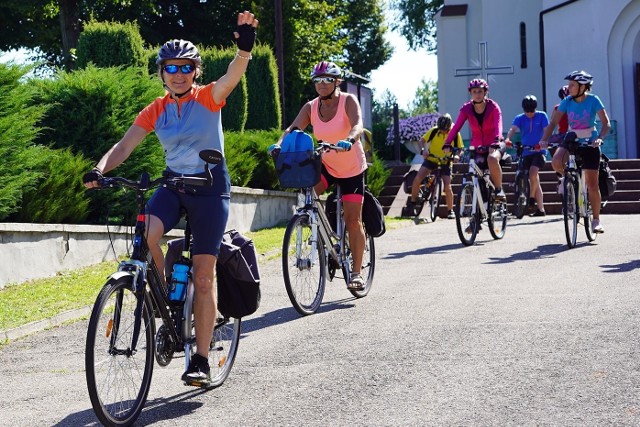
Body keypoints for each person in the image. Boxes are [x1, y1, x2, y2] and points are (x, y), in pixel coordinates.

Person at [82, 11, 259, 386]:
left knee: (205, 274)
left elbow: (232, 77)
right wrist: (101, 170)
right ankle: (166, 294)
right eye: (170, 68)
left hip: (210, 189)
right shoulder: (156, 109)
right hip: (174, 185)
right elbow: (125, 145)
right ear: (161, 72)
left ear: (194, 71)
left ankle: (200, 360)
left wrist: (243, 49)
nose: (178, 74)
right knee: (145, 236)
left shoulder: (209, 97)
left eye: (185, 67)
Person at [268, 61, 367, 291]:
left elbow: (358, 124)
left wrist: (350, 140)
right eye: (317, 80)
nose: (322, 84)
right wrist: (280, 144)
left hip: (352, 168)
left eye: (327, 79)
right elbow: (293, 128)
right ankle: (318, 228)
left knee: (353, 220)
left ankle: (357, 272)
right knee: (308, 194)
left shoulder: (348, 101)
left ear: (336, 81)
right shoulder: (311, 107)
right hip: (327, 166)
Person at [539, 70, 610, 233]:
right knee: (556, 162)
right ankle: (571, 180)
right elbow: (553, 123)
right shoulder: (567, 101)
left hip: (590, 143)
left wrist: (599, 138)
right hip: (571, 139)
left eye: (572, 85)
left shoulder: (594, 100)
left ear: (582, 86)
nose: (569, 87)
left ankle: (596, 220)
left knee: (592, 184)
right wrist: (544, 139)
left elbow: (606, 124)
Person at [443, 78, 506, 200]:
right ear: (470, 93)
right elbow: (456, 128)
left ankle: (499, 190)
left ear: (485, 92)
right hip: (478, 146)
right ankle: (476, 212)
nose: (477, 94)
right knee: (475, 176)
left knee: (492, 159)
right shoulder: (466, 109)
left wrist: (496, 140)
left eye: (480, 91)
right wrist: (447, 143)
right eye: (474, 92)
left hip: (495, 143)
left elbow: (498, 125)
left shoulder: (493, 107)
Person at [406, 113, 463, 219]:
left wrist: (456, 156)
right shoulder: (434, 130)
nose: (442, 131)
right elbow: (421, 141)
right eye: (440, 129)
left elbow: (460, 149)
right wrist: (424, 150)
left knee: (447, 186)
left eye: (444, 130)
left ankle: (450, 211)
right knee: (417, 178)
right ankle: (412, 203)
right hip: (431, 159)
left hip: (446, 162)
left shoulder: (455, 133)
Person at [504, 95, 549, 217]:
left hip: (539, 152)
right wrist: (508, 139)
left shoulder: (542, 116)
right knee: (535, 180)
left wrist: (543, 142)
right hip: (526, 152)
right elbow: (512, 129)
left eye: (532, 111)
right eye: (527, 111)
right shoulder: (520, 118)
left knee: (533, 173)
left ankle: (531, 198)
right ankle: (541, 209)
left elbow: (547, 130)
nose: (529, 114)